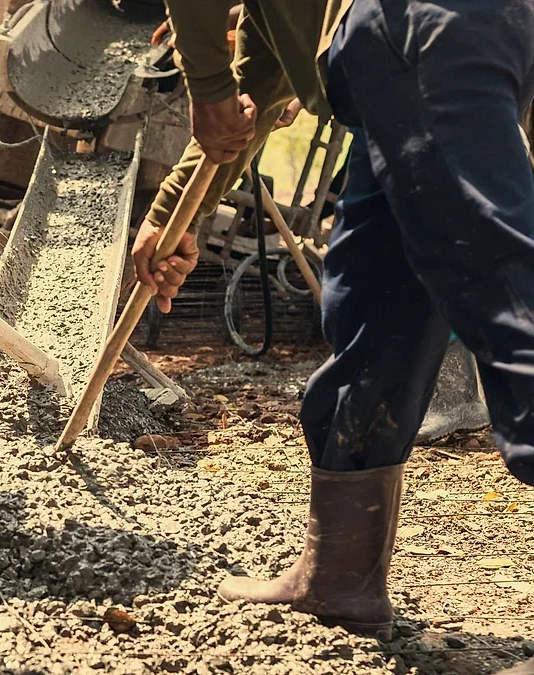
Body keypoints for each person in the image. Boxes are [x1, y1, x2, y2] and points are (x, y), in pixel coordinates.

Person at [133, 0, 534, 648]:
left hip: (419, 33)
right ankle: (342, 575)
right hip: (407, 54)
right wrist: (173, 216)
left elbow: (225, 95)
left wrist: (205, 86)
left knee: (509, 300)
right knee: (375, 297)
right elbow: (257, 93)